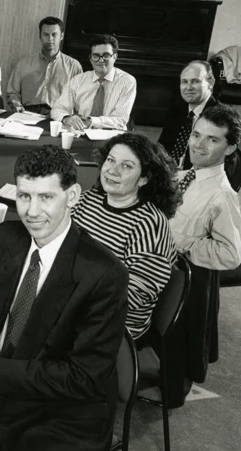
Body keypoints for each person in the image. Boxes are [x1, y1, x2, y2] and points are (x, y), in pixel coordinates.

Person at [0, 145, 128, 451]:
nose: (31, 212)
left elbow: (84, 378)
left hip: (58, 413)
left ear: (72, 197)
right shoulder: (7, 238)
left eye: (46, 197)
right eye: (24, 196)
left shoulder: (104, 273)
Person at [165, 104, 241, 407]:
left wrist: (184, 244)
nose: (198, 144)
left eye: (212, 139)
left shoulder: (222, 195)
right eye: (196, 134)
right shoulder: (186, 176)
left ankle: (173, 388)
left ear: (230, 147)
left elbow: (231, 254)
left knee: (177, 340)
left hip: (188, 278)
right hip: (165, 267)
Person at [71, 133, 179, 341]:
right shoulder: (89, 200)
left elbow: (134, 295)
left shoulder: (149, 225)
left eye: (127, 166)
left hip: (112, 326)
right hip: (74, 303)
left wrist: (72, 292)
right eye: (110, 160)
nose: (112, 170)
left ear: (145, 178)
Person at [51, 34, 136, 131]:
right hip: (82, 132)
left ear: (115, 57)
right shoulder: (78, 80)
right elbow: (57, 109)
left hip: (113, 135)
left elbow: (120, 119)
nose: (101, 60)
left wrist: (91, 121)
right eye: (96, 56)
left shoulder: (127, 81)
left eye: (106, 55)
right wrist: (67, 118)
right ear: (90, 58)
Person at [6, 16, 82, 116]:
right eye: (46, 34)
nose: (50, 39)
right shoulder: (23, 64)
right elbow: (12, 93)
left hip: (58, 116)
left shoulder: (74, 66)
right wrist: (17, 105)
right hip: (26, 114)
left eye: (54, 35)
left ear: (62, 36)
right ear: (40, 36)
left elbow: (79, 98)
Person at [158, 60, 220, 168]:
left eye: (195, 81)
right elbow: (162, 148)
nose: (188, 87)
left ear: (210, 83)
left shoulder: (221, 118)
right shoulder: (176, 110)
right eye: (184, 82)